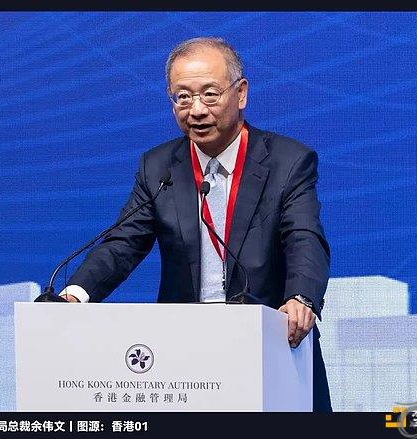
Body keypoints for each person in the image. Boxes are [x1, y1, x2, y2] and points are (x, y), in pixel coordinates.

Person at [60, 37, 332, 412]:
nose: (196, 111)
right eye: (182, 98)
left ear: (241, 93)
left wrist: (300, 298)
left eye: (209, 94)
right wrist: (75, 294)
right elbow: (123, 243)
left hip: (270, 344)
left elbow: (304, 237)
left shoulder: (288, 161)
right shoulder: (158, 167)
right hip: (184, 358)